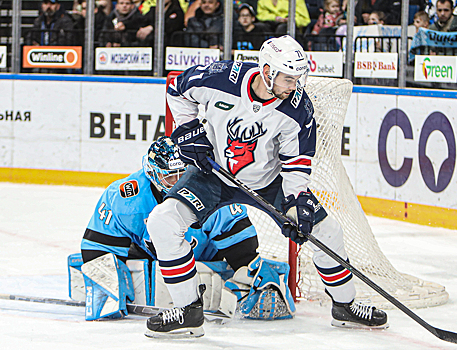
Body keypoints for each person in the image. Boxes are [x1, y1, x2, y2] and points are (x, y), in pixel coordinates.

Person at [144, 35, 388, 338]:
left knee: (328, 232)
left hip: (271, 182)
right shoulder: (222, 78)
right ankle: (187, 310)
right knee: (162, 221)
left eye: (298, 78)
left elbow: (297, 162)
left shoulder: (298, 108)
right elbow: (177, 88)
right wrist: (186, 128)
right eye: (288, 78)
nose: (293, 85)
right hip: (214, 173)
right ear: (268, 71)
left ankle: (344, 306)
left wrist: (297, 202)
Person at [80, 137, 295, 325]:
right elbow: (98, 247)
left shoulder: (209, 190)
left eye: (182, 174)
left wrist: (246, 269)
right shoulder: (126, 197)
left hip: (205, 255)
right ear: (152, 173)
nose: (178, 182)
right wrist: (106, 283)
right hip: (150, 255)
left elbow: (242, 245)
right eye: (170, 177)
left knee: (246, 269)